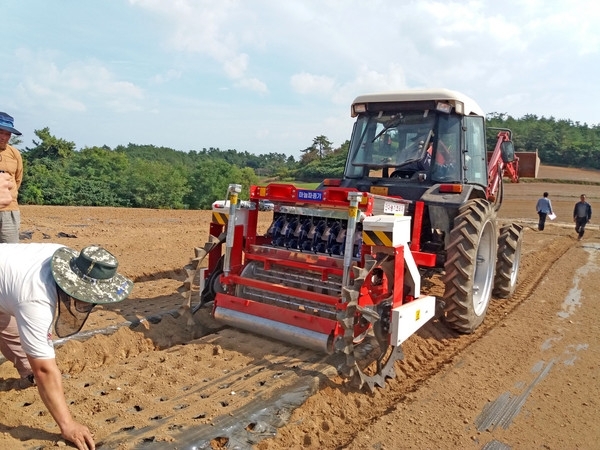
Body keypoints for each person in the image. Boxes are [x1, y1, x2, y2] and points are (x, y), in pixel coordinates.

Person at [0, 244, 134, 450]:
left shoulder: (67, 259)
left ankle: (28, 375)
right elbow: (44, 369)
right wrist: (67, 424)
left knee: (7, 326)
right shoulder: (36, 300)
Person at [0, 112, 24, 243]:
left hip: (9, 212)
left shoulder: (14, 154)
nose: (3, 137)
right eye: (0, 132)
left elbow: (17, 180)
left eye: (7, 134)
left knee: (10, 254)